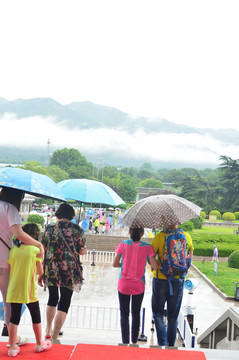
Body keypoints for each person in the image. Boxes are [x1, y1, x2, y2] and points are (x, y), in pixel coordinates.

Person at [0, 188, 44, 347]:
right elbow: (18, 233)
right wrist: (38, 244)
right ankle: (12, 338)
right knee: (9, 301)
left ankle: (13, 339)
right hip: (4, 261)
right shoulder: (9, 208)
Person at [42, 203, 87, 342]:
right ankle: (55, 336)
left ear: (58, 214)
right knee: (65, 301)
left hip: (51, 268)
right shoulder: (77, 229)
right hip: (70, 270)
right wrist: (82, 249)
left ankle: (48, 329)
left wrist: (41, 270)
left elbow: (43, 247)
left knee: (52, 298)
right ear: (71, 215)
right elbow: (82, 250)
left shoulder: (49, 228)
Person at [7, 223, 52, 357]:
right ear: (35, 236)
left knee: (14, 318)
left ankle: (12, 348)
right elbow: (39, 269)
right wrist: (41, 276)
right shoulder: (35, 249)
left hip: (14, 288)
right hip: (29, 289)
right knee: (35, 315)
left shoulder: (14, 250)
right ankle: (39, 344)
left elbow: (11, 269)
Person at [113, 226, 158, 344]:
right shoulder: (148, 247)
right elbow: (155, 265)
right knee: (136, 313)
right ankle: (134, 342)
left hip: (123, 284)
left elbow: (114, 264)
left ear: (129, 232)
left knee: (124, 313)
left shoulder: (123, 244)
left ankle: (125, 341)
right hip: (138, 285)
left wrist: (123, 266)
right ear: (142, 234)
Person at [151, 223, 194, 347]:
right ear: (178, 222)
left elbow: (151, 255)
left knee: (158, 313)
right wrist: (182, 271)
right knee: (173, 316)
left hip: (160, 279)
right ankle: (170, 345)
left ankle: (162, 342)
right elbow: (190, 257)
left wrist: (157, 267)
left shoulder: (159, 237)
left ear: (165, 221)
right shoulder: (186, 236)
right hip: (178, 280)